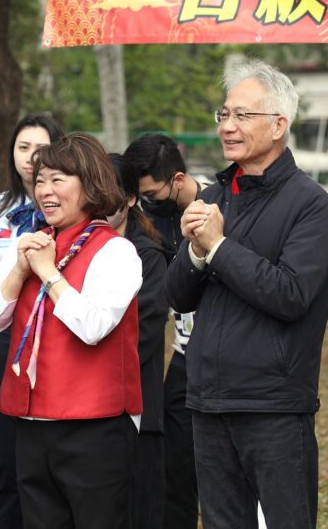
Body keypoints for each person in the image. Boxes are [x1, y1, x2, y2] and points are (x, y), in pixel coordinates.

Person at [164, 60, 328, 528]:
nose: (228, 126)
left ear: (279, 125)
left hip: (273, 404)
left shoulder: (310, 205)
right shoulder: (216, 195)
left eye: (243, 116)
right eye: (224, 114)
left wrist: (219, 247)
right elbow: (177, 296)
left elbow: (290, 294)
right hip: (207, 399)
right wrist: (196, 254)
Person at [0, 133, 142, 529]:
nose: (45, 191)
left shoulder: (115, 251)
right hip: (32, 426)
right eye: (40, 180)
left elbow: (94, 326)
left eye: (58, 180)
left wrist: (49, 274)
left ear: (90, 183)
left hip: (94, 427)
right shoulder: (28, 245)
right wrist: (19, 269)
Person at [0, 113, 63, 529]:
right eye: (23, 148)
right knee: (5, 460)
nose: (31, 159)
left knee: (50, 464)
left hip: (56, 346)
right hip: (3, 341)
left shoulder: (69, 211)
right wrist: (6, 289)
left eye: (40, 149)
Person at [123, 133, 204, 528]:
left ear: (176, 179)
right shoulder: (148, 220)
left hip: (224, 356)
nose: (145, 202)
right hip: (182, 361)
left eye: (151, 192)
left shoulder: (216, 206)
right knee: (175, 472)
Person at [110, 153, 169, 529]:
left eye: (109, 191)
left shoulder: (148, 255)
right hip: (87, 419)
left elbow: (140, 336)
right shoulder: (72, 248)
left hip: (136, 416)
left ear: (131, 198)